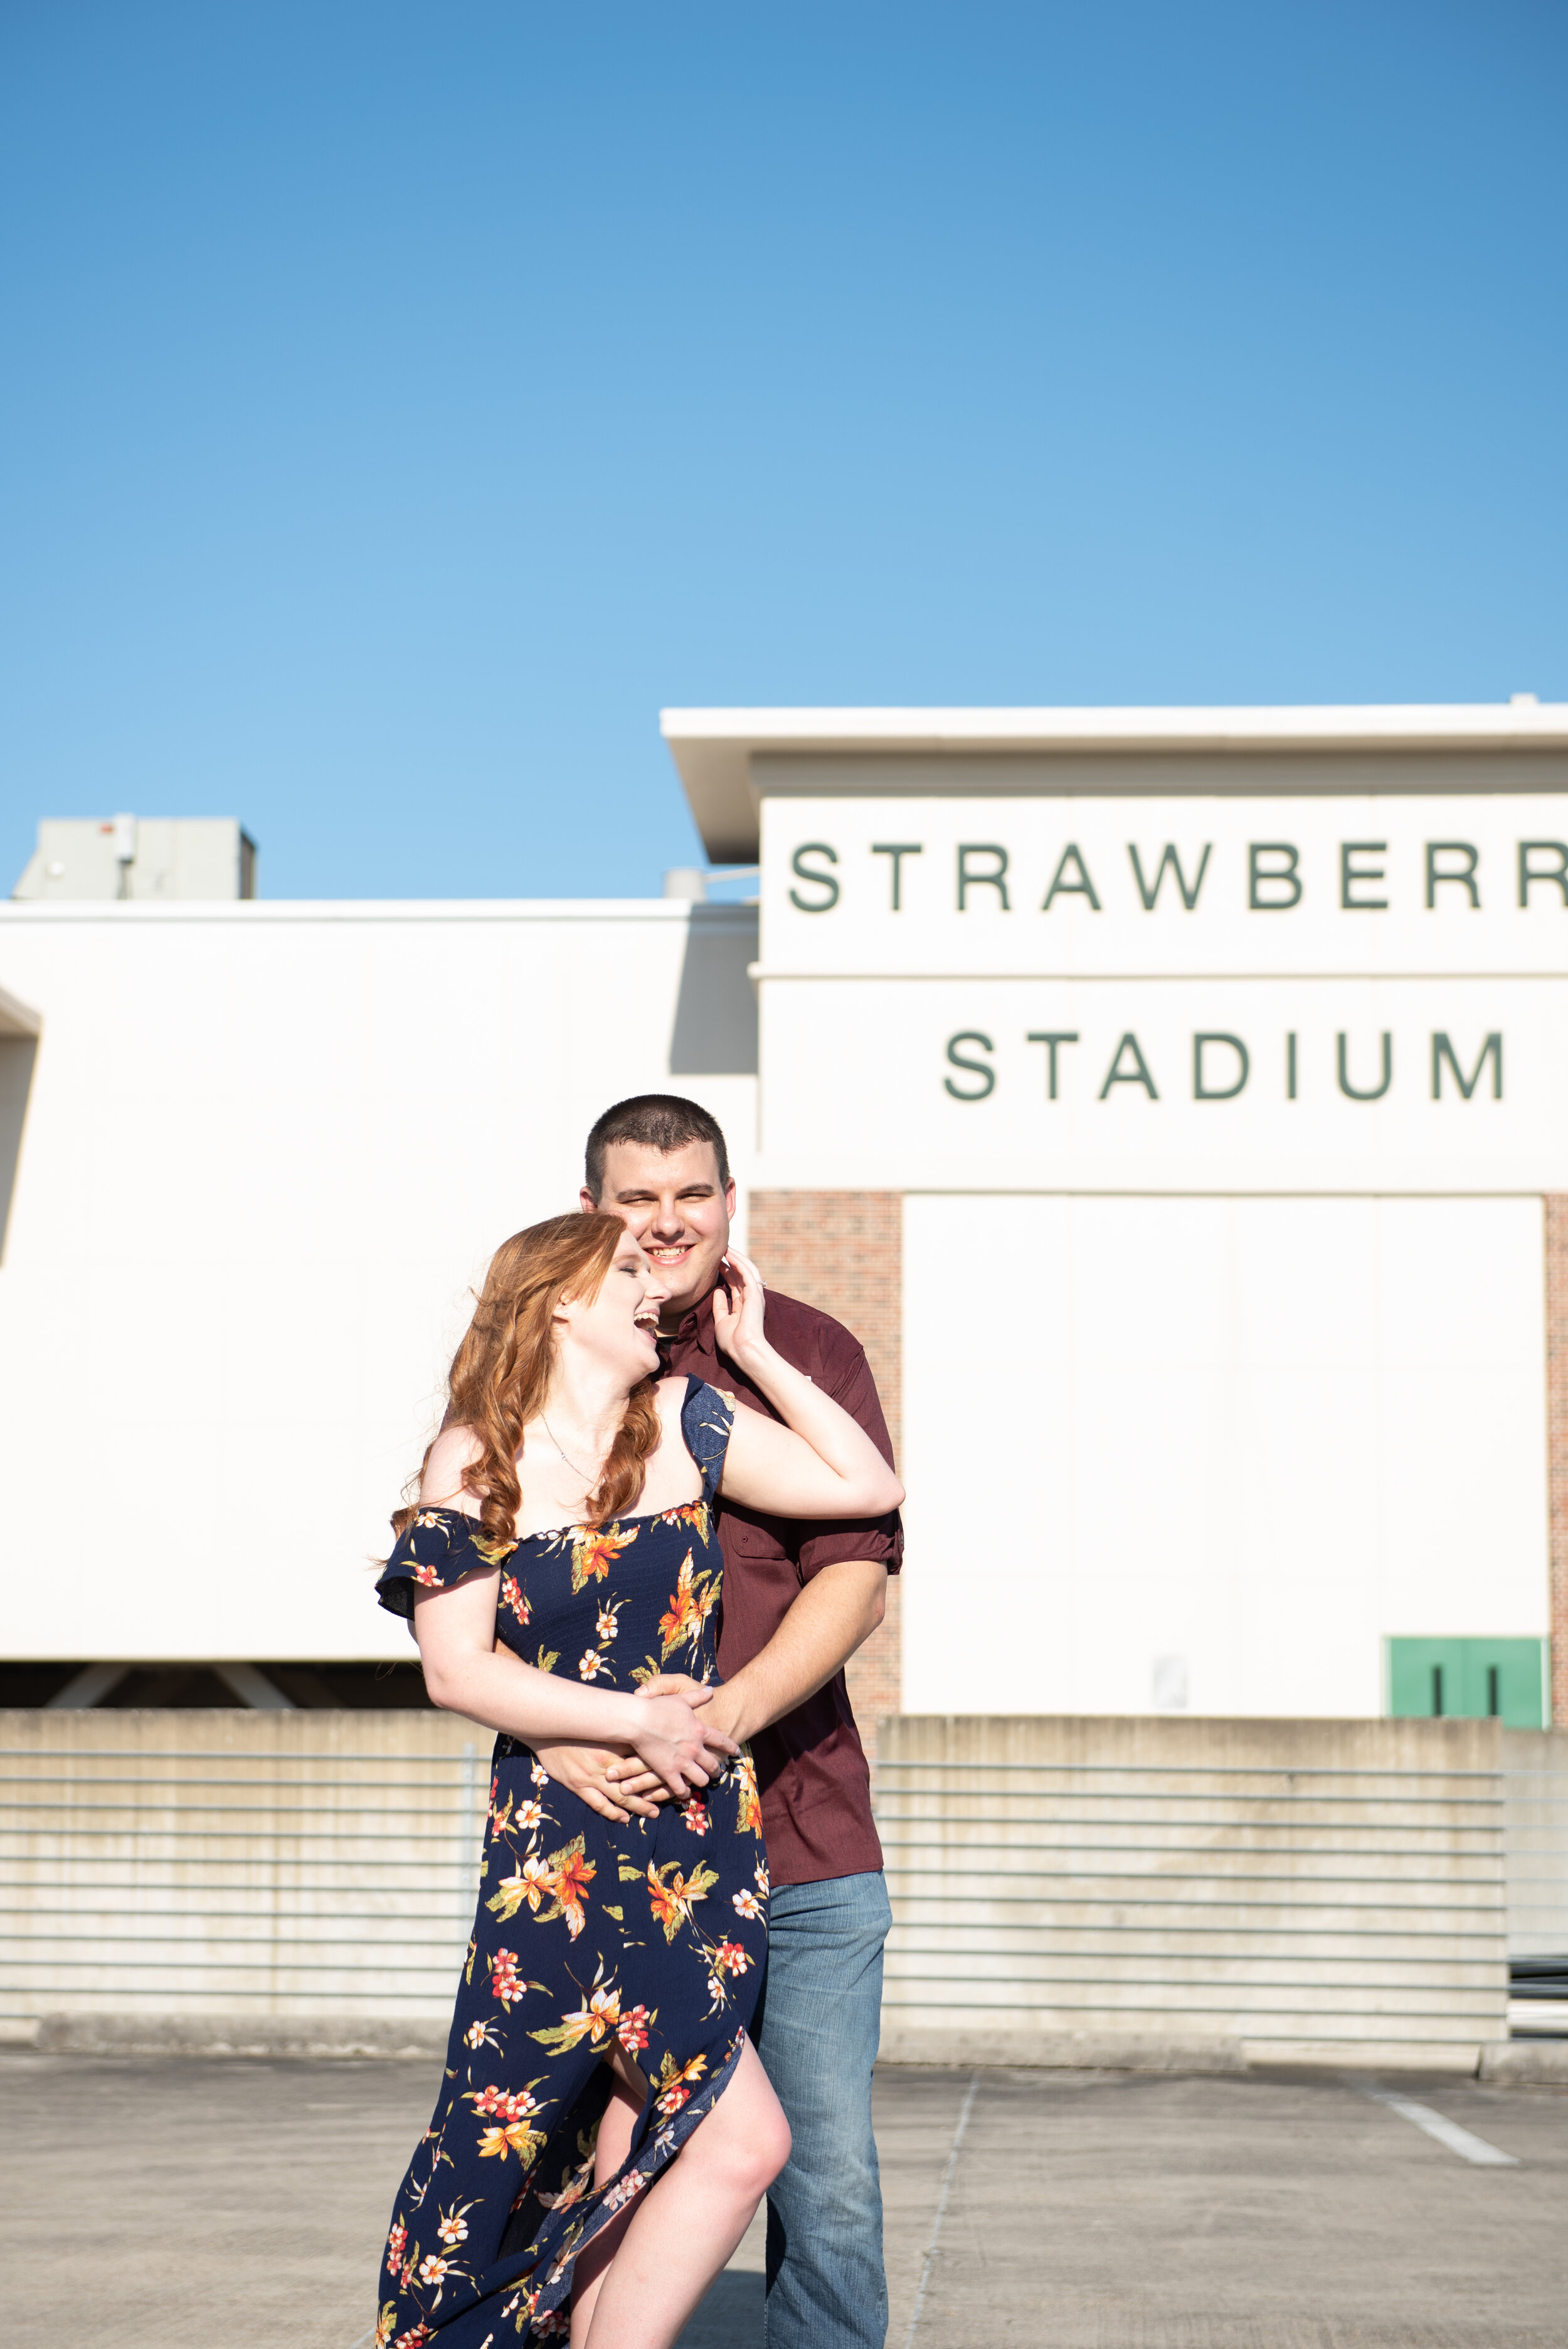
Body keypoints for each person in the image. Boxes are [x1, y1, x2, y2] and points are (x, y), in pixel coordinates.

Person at [371, 1211, 902, 2349]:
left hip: (699, 1846)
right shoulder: (474, 1457)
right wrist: (636, 1720)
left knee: (665, 2140)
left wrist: (759, 1356)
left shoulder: (684, 1419)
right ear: (561, 1299)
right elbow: (456, 1668)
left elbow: (865, 1481)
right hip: (559, 1857)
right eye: (624, 1270)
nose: (653, 1284)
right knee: (561, 2151)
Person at [552, 1094, 903, 2349]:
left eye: (691, 1192)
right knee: (598, 2158)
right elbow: (485, 1584)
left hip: (801, 1837)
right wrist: (567, 1733)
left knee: (826, 2175)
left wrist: (729, 1712)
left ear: (728, 1200)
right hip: (619, 1848)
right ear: (591, 1207)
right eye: (637, 1196)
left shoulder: (803, 1348)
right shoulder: (541, 1359)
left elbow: (855, 1566)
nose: (667, 1220)